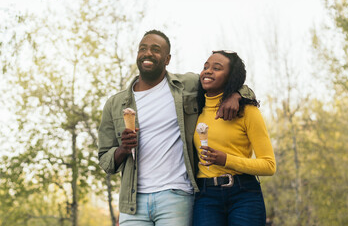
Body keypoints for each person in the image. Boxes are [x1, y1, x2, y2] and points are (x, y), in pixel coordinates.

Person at [98, 30, 255, 225]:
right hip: (133, 202)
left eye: (155, 49)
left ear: (167, 59)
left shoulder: (187, 85)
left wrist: (236, 95)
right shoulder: (115, 104)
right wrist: (123, 149)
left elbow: (230, 81)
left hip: (176, 195)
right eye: (143, 49)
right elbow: (105, 160)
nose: (147, 53)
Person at [193, 50, 276, 226]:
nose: (208, 71)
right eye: (205, 67)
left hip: (244, 194)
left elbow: (269, 165)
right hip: (205, 196)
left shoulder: (247, 111)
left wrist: (226, 160)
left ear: (231, 77)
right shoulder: (193, 110)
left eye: (217, 68)